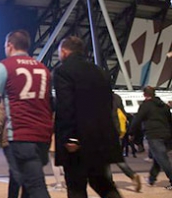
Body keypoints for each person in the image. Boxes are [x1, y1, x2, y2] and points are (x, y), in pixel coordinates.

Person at [0, 30, 53, 198]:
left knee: (34, 185)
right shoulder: (43, 69)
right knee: (27, 183)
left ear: (10, 45)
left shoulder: (5, 66)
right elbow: (49, 103)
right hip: (43, 136)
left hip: (20, 134)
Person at [53, 36, 123, 198]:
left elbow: (66, 107)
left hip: (78, 141)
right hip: (101, 139)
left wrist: (70, 137)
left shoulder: (63, 72)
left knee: (76, 186)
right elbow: (108, 104)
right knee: (102, 183)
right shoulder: (100, 72)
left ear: (64, 51)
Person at [128, 86, 172, 190]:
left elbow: (137, 120)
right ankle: (151, 179)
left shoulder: (145, 105)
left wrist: (131, 132)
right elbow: (170, 120)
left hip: (154, 135)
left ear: (144, 95)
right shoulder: (164, 106)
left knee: (162, 159)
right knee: (158, 158)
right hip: (166, 134)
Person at [112, 92, 141, 191]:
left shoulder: (100, 97)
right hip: (118, 132)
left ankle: (110, 183)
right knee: (117, 158)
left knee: (104, 161)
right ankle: (132, 175)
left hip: (105, 133)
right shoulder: (116, 97)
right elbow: (122, 113)